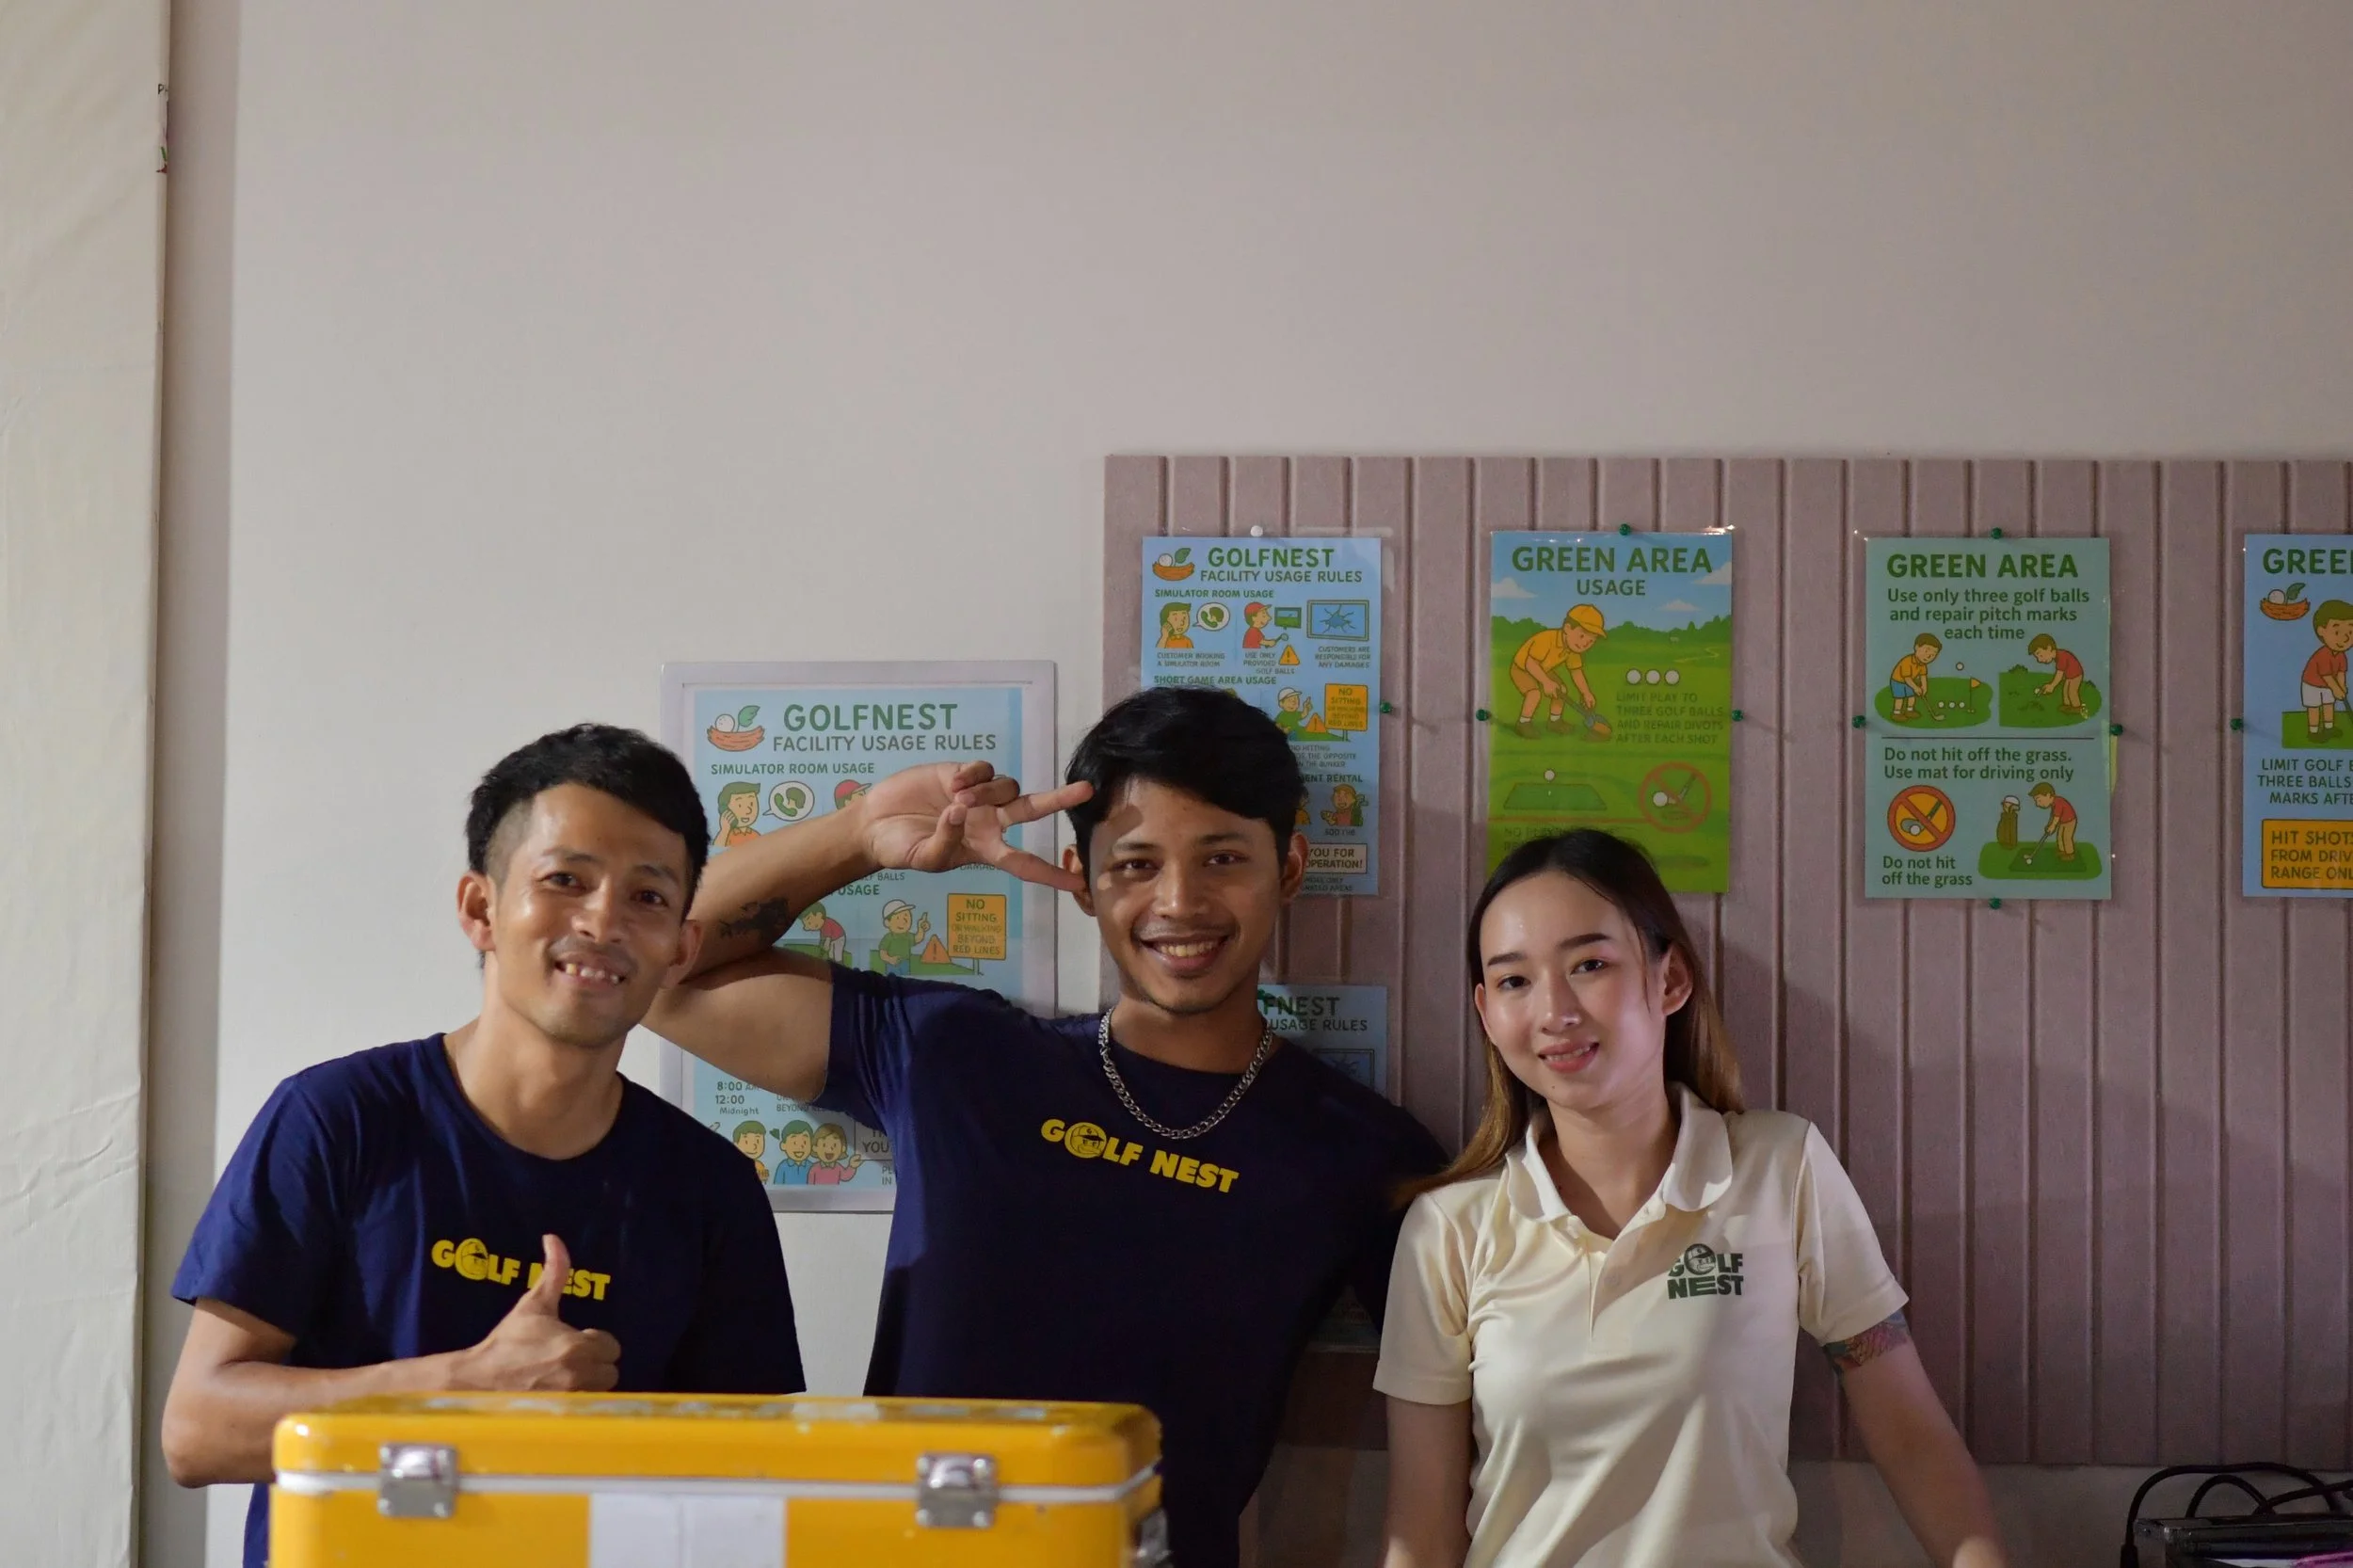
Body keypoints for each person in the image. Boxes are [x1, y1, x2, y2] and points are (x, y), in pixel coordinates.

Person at [647, 685, 1445, 1568]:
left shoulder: (1364, 1152)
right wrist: (861, 831)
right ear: (1083, 881)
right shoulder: (956, 1056)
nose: (1179, 903)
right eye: (1135, 865)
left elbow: (1480, 1403)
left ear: (1289, 869)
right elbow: (648, 967)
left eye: (1222, 859)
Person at [161, 725, 805, 1568]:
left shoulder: (709, 1187)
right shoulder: (338, 1117)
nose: (603, 920)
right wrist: (468, 1390)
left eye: (648, 897)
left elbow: (753, 1479)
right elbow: (199, 1432)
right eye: (564, 880)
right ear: (481, 909)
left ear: (681, 949)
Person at [1377, 830, 2006, 1568]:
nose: (1555, 1011)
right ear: (1486, 1012)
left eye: (1590, 965)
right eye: (1515, 981)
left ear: (1669, 980)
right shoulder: (1449, 1229)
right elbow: (1420, 1527)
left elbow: (1910, 1433)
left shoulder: (1781, 1168)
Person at [1510, 604, 1608, 739]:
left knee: (1561, 690)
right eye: (1582, 636)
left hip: (1544, 668)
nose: (1585, 643)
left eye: (1591, 641)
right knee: (1534, 693)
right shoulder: (1546, 639)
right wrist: (1546, 682)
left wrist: (1586, 693)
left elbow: (1576, 672)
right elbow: (1530, 663)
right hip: (1522, 668)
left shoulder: (1573, 650)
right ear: (1567, 628)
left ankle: (1555, 722)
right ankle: (1524, 723)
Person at [2302, 600, 2353, 739]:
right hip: (2312, 684)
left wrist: (2342, 687)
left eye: (2351, 631)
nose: (2345, 638)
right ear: (2322, 631)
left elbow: (2341, 672)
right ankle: (2313, 732)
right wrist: (2336, 689)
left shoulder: (2342, 656)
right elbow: (2327, 675)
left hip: (2328, 685)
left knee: (2329, 704)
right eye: (2337, 632)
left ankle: (2329, 728)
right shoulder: (2323, 655)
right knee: (2314, 707)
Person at [2026, 632, 2086, 716]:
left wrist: (2052, 686)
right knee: (2065, 690)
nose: (2039, 660)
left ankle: (2077, 708)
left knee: (2072, 691)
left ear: (2049, 648)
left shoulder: (2061, 657)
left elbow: (2059, 675)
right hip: (2070, 675)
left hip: (2076, 674)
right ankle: (2067, 706)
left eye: (2040, 655)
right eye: (2037, 657)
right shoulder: (2058, 656)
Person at [1889, 632, 1940, 723]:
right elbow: (1907, 678)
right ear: (1917, 647)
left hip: (1910, 681)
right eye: (1927, 650)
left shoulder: (1923, 665)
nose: (1929, 656)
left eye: (1933, 655)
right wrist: (1916, 687)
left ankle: (1909, 710)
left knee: (1911, 696)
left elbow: (1923, 676)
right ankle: (1896, 713)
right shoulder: (1907, 661)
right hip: (1898, 681)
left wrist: (1924, 687)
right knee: (1900, 697)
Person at [2027, 781, 2077, 862]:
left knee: (2066, 837)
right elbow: (2053, 816)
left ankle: (2070, 854)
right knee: (2060, 836)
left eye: (2039, 800)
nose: (2037, 804)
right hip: (2063, 821)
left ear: (2048, 795)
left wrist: (2052, 826)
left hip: (2070, 821)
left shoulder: (2058, 802)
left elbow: (2056, 817)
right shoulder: (2053, 804)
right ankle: (2062, 851)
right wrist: (2049, 825)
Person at [713, 780, 763, 847]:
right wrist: (724, 830)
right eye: (740, 805)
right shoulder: (726, 836)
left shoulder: (755, 835)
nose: (748, 811)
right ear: (726, 809)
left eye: (751, 804)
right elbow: (717, 852)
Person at [799, 899, 850, 963]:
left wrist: (826, 945)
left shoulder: (826, 924)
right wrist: (821, 945)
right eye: (807, 925)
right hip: (833, 938)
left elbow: (827, 939)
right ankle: (832, 965)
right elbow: (823, 937)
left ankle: (840, 966)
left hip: (839, 937)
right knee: (831, 954)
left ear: (819, 915)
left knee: (837, 954)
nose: (809, 927)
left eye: (810, 923)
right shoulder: (822, 927)